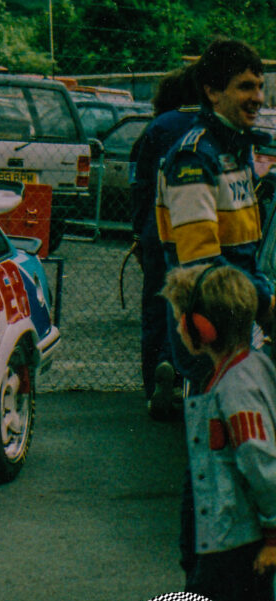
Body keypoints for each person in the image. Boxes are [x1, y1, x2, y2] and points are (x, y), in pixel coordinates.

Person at [161, 263, 276, 601]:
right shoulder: (242, 368)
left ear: (203, 327)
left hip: (237, 538)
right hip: (234, 533)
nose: (175, 327)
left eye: (179, 317)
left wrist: (274, 535)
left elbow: (261, 462)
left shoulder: (236, 388)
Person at [156, 38, 275, 395]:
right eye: (245, 87)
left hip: (240, 318)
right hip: (213, 325)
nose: (257, 98)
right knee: (231, 442)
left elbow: (246, 254)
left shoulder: (234, 149)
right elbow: (200, 264)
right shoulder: (195, 157)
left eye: (260, 87)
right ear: (212, 91)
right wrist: (265, 304)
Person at [130, 64, 201, 419]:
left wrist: (137, 232)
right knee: (194, 306)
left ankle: (151, 387)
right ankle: (182, 374)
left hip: (157, 229)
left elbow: (140, 185)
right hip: (199, 229)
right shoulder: (211, 126)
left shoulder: (157, 127)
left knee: (155, 309)